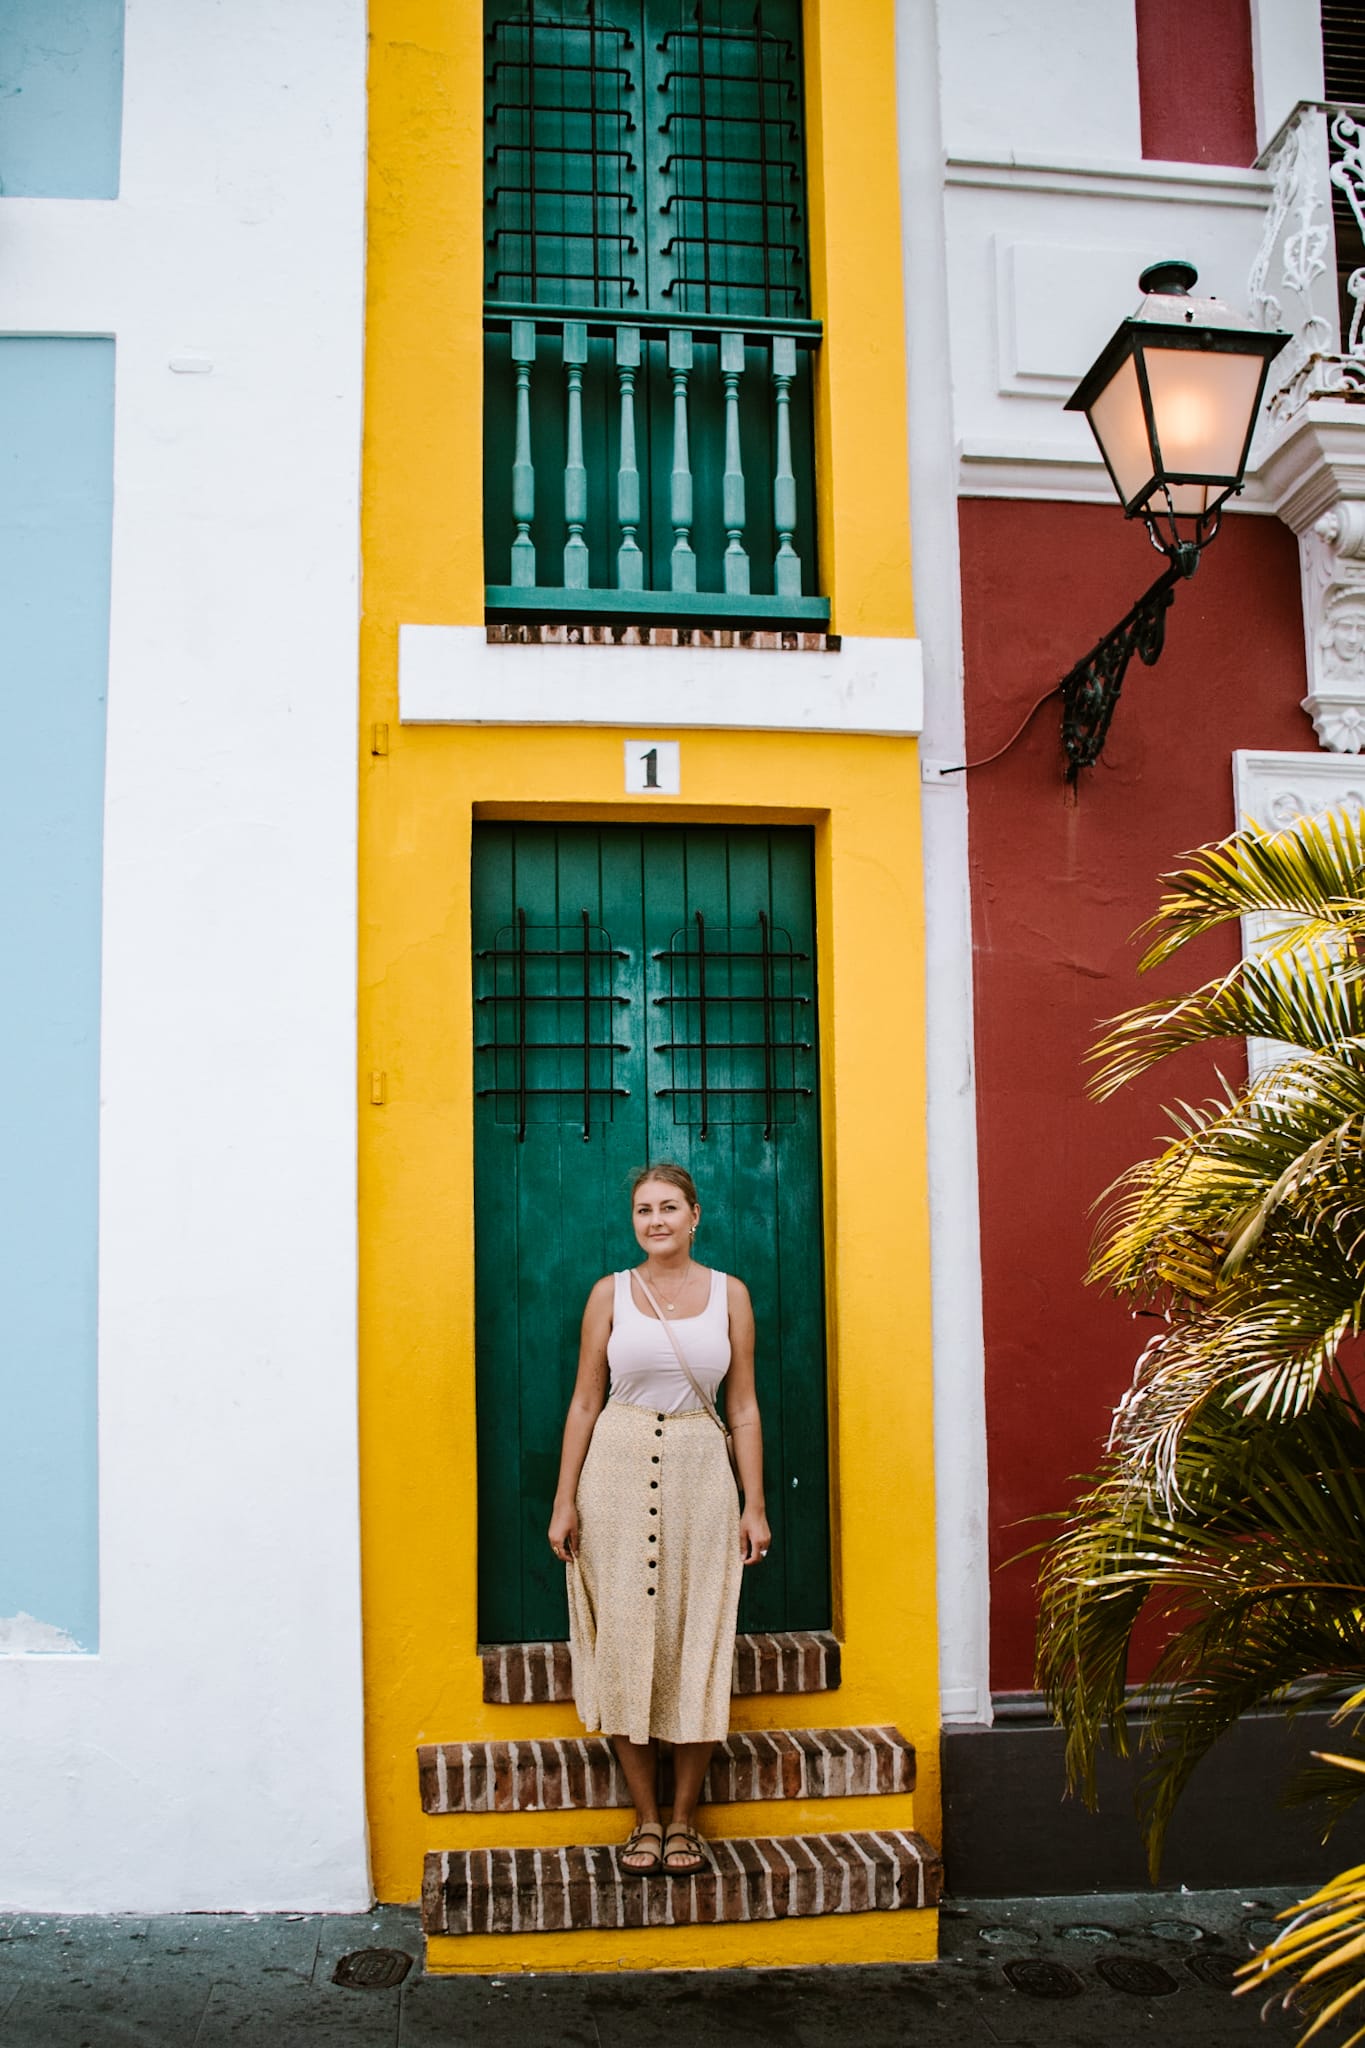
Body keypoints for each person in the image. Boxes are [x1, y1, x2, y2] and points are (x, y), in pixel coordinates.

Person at [547, 1162, 770, 1877]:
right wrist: (564, 1499)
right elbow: (584, 1400)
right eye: (643, 1209)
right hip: (613, 1465)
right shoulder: (607, 1294)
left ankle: (684, 1822)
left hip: (703, 1472)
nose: (656, 1220)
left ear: (695, 1214)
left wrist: (754, 1504)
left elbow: (742, 1407)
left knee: (696, 1637)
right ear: (633, 1221)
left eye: (669, 1207)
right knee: (624, 1638)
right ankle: (644, 1820)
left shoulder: (729, 1295)